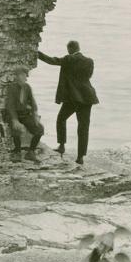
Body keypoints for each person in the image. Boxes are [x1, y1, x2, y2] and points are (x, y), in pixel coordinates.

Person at [37, 40, 99, 168]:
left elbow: (52, 61)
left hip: (72, 99)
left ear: (70, 49)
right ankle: (80, 157)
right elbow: (88, 76)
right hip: (87, 98)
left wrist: (37, 53)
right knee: (83, 127)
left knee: (61, 119)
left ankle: (62, 146)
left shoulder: (68, 59)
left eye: (68, 49)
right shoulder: (89, 61)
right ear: (79, 48)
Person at [2, 67, 44, 162]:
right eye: (24, 76)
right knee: (16, 129)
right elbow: (10, 105)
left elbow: (33, 102)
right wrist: (15, 120)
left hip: (25, 115)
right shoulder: (12, 88)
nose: (26, 78)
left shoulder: (27, 87)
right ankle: (17, 152)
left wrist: (35, 114)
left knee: (39, 129)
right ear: (18, 76)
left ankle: (31, 152)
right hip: (14, 115)